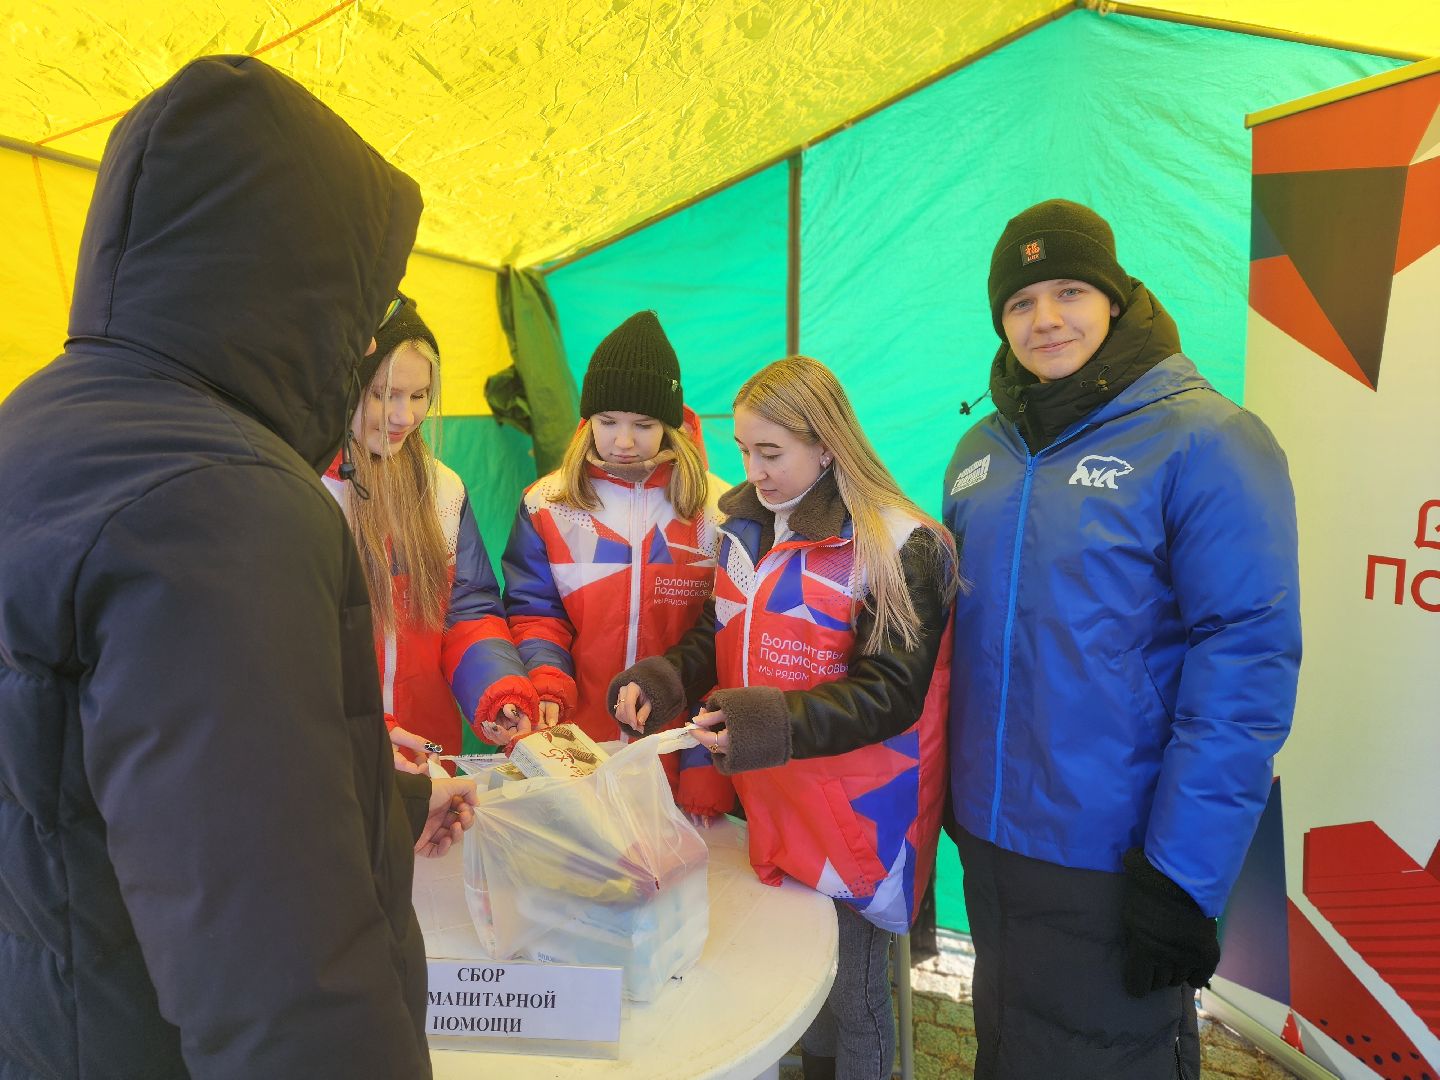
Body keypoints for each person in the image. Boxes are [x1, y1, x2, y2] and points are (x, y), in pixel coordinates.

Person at [0, 56, 476, 1078]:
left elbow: (100, 790)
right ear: (300, 278)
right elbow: (284, 985)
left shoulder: (32, 434)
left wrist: (390, 807)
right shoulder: (218, 504)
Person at [942, 198, 1301, 1079]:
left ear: (1115, 296)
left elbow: (1245, 666)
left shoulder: (1208, 439)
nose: (1046, 319)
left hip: (1118, 852)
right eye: (1020, 302)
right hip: (991, 840)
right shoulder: (978, 453)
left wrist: (1183, 874)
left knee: (1109, 1057)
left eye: (1069, 291)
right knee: (1010, 1041)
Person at [611, 355, 958, 1080]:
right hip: (776, 796)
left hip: (860, 815)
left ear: (828, 444)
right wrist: (667, 677)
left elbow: (892, 692)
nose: (753, 470)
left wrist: (765, 724)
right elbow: (721, 627)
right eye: (743, 450)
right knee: (801, 978)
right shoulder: (744, 526)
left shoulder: (899, 544)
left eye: (771, 452)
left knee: (857, 994)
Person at [324, 293, 541, 761]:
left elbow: (467, 608)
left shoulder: (444, 490)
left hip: (429, 757)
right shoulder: (305, 491)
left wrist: (499, 690)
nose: (405, 417)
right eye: (383, 395)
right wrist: (364, 733)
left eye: (419, 395)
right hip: (334, 757)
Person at [501, 312, 720, 760]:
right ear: (588, 420)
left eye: (642, 424)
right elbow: (535, 611)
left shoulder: (720, 508)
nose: (623, 440)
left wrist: (706, 767)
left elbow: (725, 637)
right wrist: (546, 681)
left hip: (680, 744)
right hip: (579, 737)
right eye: (606, 421)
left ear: (670, 423)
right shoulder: (547, 503)